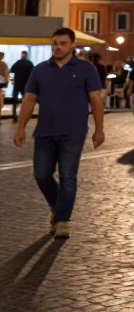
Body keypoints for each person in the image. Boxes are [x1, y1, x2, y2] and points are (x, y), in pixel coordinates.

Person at [14, 29, 106, 239]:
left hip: (73, 132)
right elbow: (29, 99)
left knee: (68, 177)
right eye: (54, 43)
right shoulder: (40, 70)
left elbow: (96, 100)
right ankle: (57, 207)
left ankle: (63, 220)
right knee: (42, 175)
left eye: (62, 43)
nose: (57, 47)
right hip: (45, 131)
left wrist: (99, 129)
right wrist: (21, 127)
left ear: (72, 45)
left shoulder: (86, 69)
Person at [10, 50, 34, 122]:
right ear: (26, 55)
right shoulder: (30, 63)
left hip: (17, 84)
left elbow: (11, 70)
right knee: (26, 101)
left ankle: (14, 116)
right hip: (25, 85)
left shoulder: (18, 62)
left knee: (15, 100)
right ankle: (24, 116)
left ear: (22, 55)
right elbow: (33, 74)